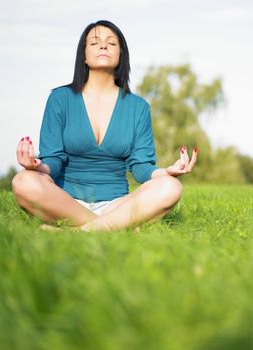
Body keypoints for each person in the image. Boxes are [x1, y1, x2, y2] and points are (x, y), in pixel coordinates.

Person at [12, 20, 197, 232]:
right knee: (23, 182)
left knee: (171, 187)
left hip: (117, 205)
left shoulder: (138, 107)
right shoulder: (60, 99)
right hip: (65, 202)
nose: (103, 46)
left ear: (121, 54)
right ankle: (114, 228)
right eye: (94, 43)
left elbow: (140, 165)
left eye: (111, 43)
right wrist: (37, 166)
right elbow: (53, 159)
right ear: (84, 55)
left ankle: (78, 232)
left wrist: (165, 172)